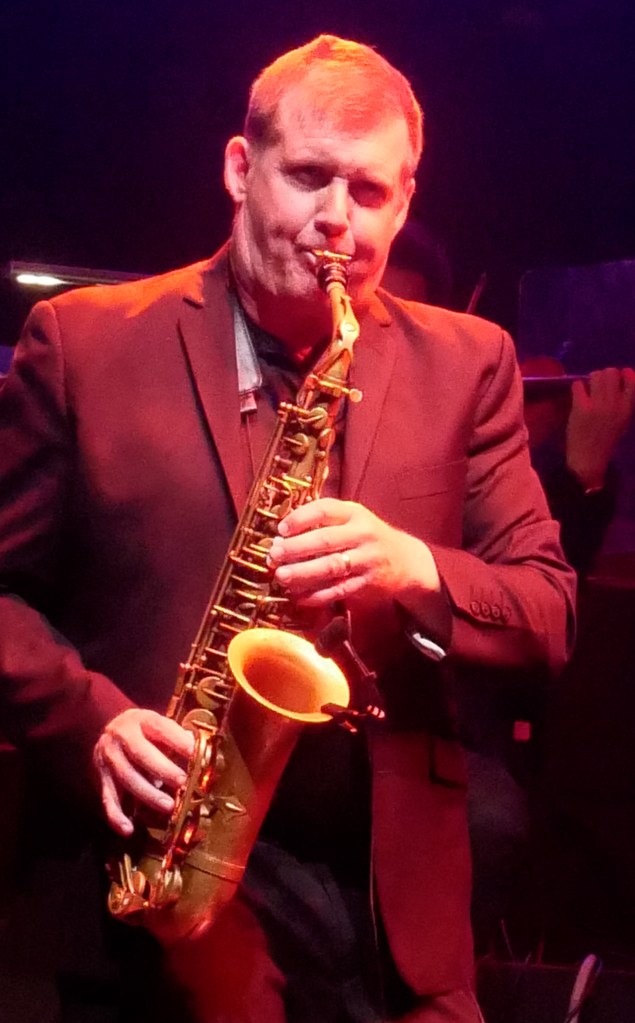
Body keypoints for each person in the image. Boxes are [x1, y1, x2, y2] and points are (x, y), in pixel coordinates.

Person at [0, 34, 575, 1023]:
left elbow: (548, 613)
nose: (336, 219)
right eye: (308, 176)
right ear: (240, 168)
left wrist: (413, 568)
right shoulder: (85, 342)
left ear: (403, 201)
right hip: (161, 872)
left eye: (369, 191)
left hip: (390, 895)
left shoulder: (469, 363)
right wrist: (92, 723)